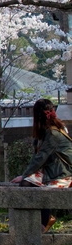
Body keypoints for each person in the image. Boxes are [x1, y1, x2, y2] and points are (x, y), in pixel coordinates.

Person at [11, 98, 72, 231]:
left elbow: (40, 158)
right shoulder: (48, 131)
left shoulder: (54, 133)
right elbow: (38, 156)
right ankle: (38, 222)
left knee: (37, 187)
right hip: (53, 169)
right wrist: (26, 176)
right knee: (27, 184)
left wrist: (24, 175)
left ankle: (44, 222)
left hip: (64, 172)